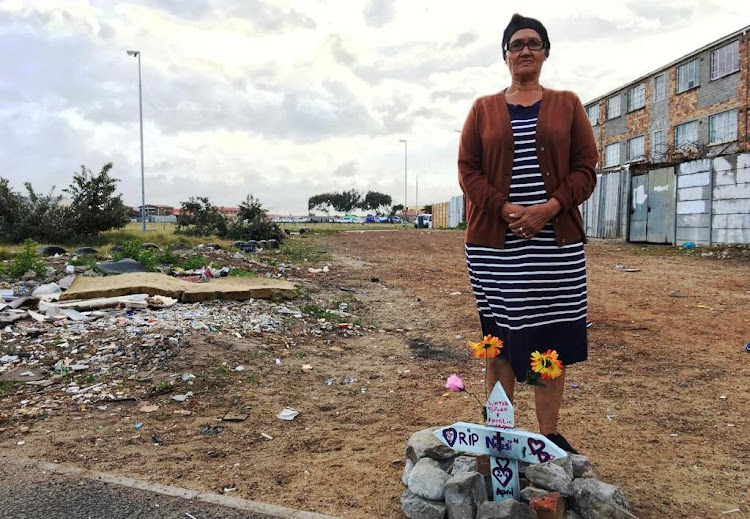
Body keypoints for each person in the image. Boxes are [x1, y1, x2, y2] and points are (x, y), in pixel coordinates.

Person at [457, 13, 598, 454]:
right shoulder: (482, 109)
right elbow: (468, 171)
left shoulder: (568, 104)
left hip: (554, 247)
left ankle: (548, 436)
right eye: (516, 43)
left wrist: (550, 208)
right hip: (495, 247)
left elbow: (585, 170)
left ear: (546, 52)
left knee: (550, 338)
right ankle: (500, 433)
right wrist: (504, 208)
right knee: (499, 339)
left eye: (533, 43)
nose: (524, 50)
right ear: (505, 55)